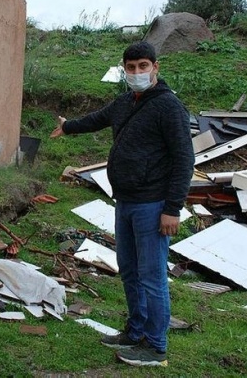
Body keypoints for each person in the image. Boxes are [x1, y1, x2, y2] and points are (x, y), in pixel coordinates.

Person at [50, 41, 194, 367]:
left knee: (153, 277)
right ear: (124, 69)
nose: (137, 72)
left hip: (153, 205)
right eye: (131, 67)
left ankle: (155, 347)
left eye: (144, 66)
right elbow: (97, 118)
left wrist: (173, 208)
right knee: (129, 271)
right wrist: (68, 126)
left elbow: (184, 159)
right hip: (125, 202)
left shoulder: (169, 107)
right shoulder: (126, 101)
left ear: (156, 68)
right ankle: (136, 331)